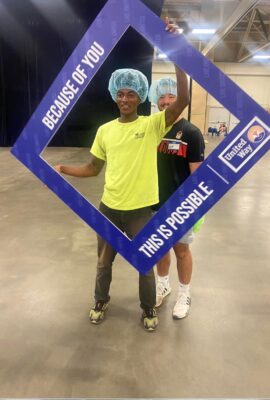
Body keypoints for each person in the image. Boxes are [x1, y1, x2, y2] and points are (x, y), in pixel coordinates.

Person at [55, 22, 189, 332]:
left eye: (131, 94)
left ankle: (147, 308)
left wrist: (178, 51)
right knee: (104, 262)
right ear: (115, 96)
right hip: (109, 208)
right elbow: (92, 168)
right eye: (121, 93)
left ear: (141, 97)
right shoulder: (105, 131)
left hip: (141, 209)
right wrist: (62, 169)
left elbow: (181, 99)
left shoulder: (153, 125)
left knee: (144, 263)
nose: (125, 98)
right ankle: (100, 300)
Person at [148, 77, 205, 319]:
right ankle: (163, 285)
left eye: (171, 96)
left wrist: (191, 208)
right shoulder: (151, 128)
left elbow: (198, 176)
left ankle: (184, 293)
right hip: (152, 204)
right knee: (160, 250)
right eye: (161, 96)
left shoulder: (191, 133)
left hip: (180, 206)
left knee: (181, 251)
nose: (166, 101)